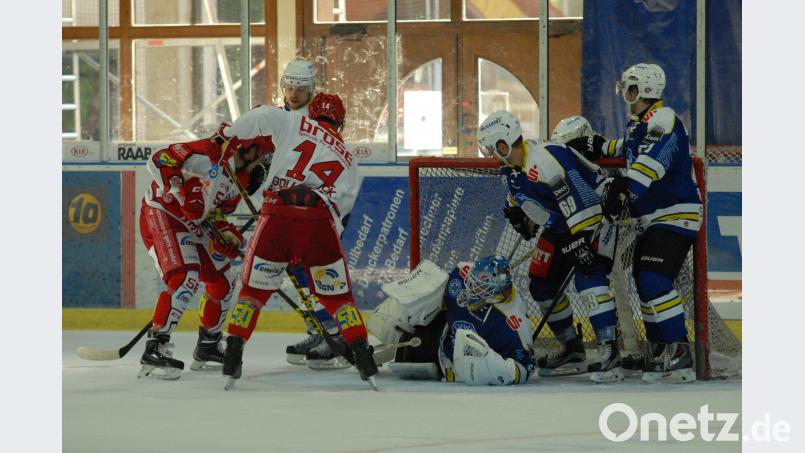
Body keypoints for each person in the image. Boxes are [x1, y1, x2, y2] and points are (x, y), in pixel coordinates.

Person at [217, 93, 378, 390]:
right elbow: (341, 214)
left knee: (252, 293)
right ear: (340, 122)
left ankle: (233, 352)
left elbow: (261, 114)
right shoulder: (349, 158)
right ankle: (363, 358)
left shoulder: (294, 121)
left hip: (276, 215)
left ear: (311, 112)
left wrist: (226, 135)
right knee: (339, 299)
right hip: (319, 224)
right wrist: (314, 248)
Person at [474, 111, 623, 383]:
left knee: (589, 275)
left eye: (493, 148)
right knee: (541, 284)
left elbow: (579, 199)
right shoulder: (511, 170)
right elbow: (521, 197)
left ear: (505, 141)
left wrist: (579, 242)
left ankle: (609, 349)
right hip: (563, 226)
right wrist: (522, 215)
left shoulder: (545, 160)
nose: (492, 155)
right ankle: (572, 347)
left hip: (595, 217)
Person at [577, 63, 702, 383]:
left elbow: (652, 160)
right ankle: (660, 348)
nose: (625, 95)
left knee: (653, 280)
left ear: (646, 90)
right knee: (644, 281)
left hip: (676, 214)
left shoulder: (664, 118)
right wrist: (593, 145)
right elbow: (626, 149)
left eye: (630, 88)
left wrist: (624, 188)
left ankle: (678, 349)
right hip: (653, 218)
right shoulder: (639, 124)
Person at [138, 127, 267, 379]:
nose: (265, 161)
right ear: (251, 150)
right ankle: (155, 346)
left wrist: (225, 235)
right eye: (264, 154)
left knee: (224, 280)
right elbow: (159, 159)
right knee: (185, 278)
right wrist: (180, 190)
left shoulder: (240, 180)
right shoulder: (212, 151)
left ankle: (208, 345)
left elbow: (213, 214)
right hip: (164, 213)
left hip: (193, 223)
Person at [276, 58, 349, 369]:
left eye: (300, 88)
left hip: (316, 206)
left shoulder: (318, 118)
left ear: (311, 89)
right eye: (289, 86)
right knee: (295, 271)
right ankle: (318, 329)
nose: (293, 93)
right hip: (289, 205)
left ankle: (336, 332)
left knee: (318, 271)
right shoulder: (281, 117)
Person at [380, 257, 535, 385]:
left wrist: (489, 367)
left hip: (451, 364)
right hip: (442, 331)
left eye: (480, 286)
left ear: (495, 292)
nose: (471, 288)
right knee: (390, 326)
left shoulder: (512, 323)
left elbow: (525, 367)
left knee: (407, 355)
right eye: (473, 281)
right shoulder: (462, 273)